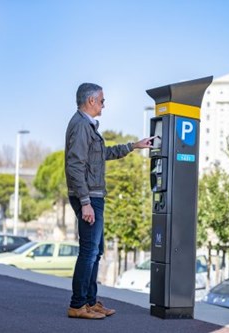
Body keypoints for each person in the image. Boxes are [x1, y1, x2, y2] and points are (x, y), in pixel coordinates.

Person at [65, 83, 155, 319]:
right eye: (102, 100)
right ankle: (77, 305)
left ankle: (90, 301)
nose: (104, 105)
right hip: (89, 197)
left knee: (95, 251)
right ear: (91, 101)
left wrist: (133, 146)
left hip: (93, 196)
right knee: (88, 251)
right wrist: (85, 201)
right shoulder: (81, 125)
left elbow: (102, 155)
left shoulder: (88, 126)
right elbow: (74, 165)